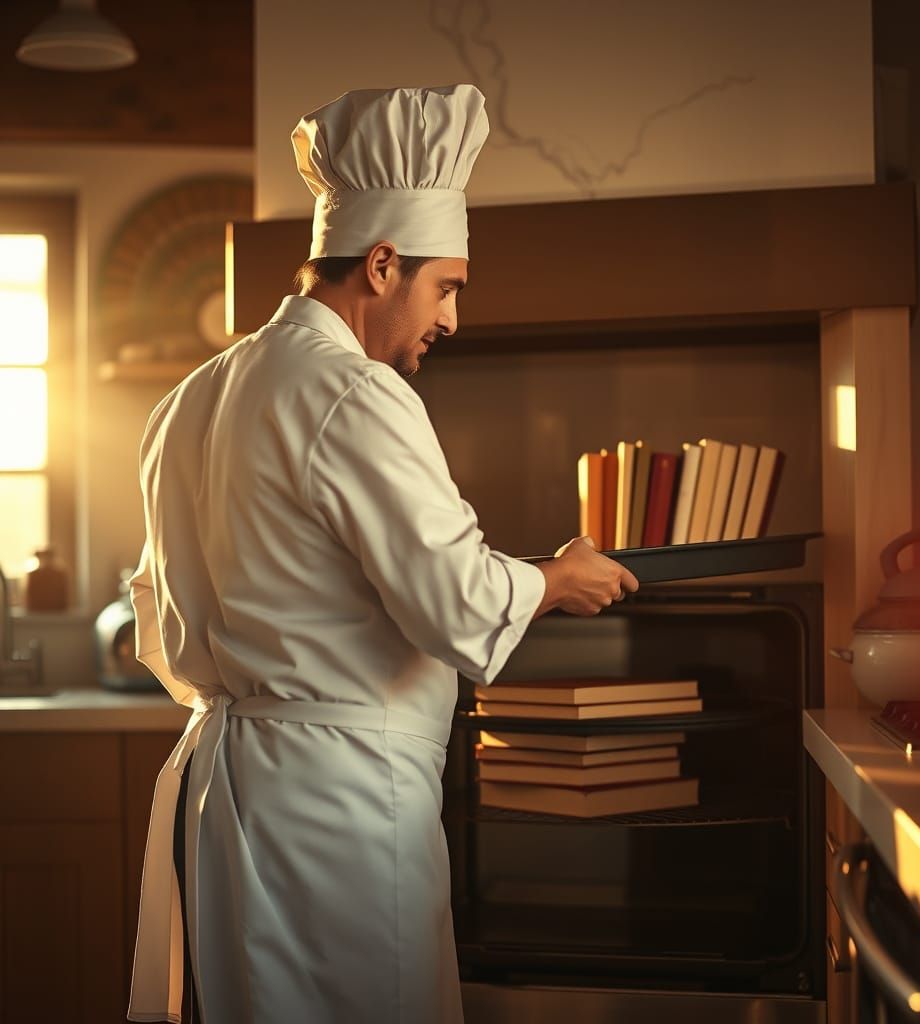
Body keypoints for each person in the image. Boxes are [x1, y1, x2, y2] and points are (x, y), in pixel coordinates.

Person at [126, 83, 639, 1024]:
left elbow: (163, 626)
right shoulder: (353, 390)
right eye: (445, 288)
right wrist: (557, 577)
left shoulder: (192, 397)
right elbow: (456, 600)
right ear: (383, 262)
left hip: (235, 799)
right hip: (342, 807)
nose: (451, 319)